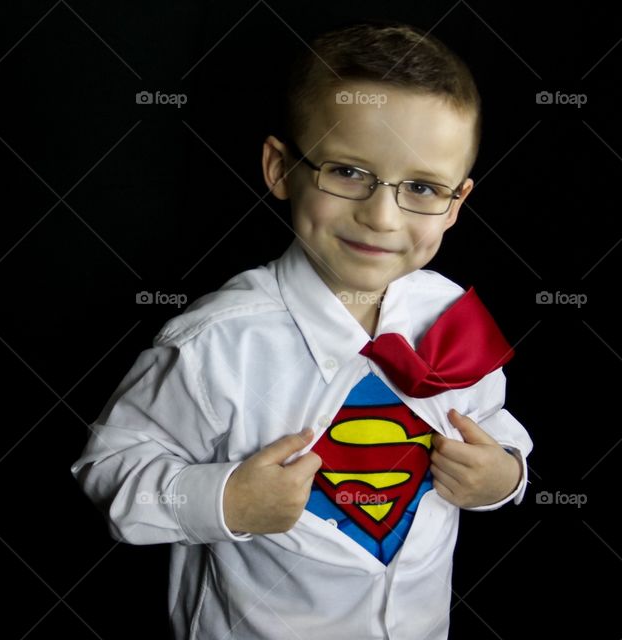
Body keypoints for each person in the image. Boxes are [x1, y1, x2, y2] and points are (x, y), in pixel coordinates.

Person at [70, 21, 533, 640]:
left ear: (455, 204)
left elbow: (494, 425)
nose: (381, 215)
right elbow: (109, 472)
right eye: (348, 172)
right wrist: (227, 500)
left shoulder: (453, 316)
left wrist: (505, 476)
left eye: (422, 187)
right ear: (281, 168)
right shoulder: (213, 343)